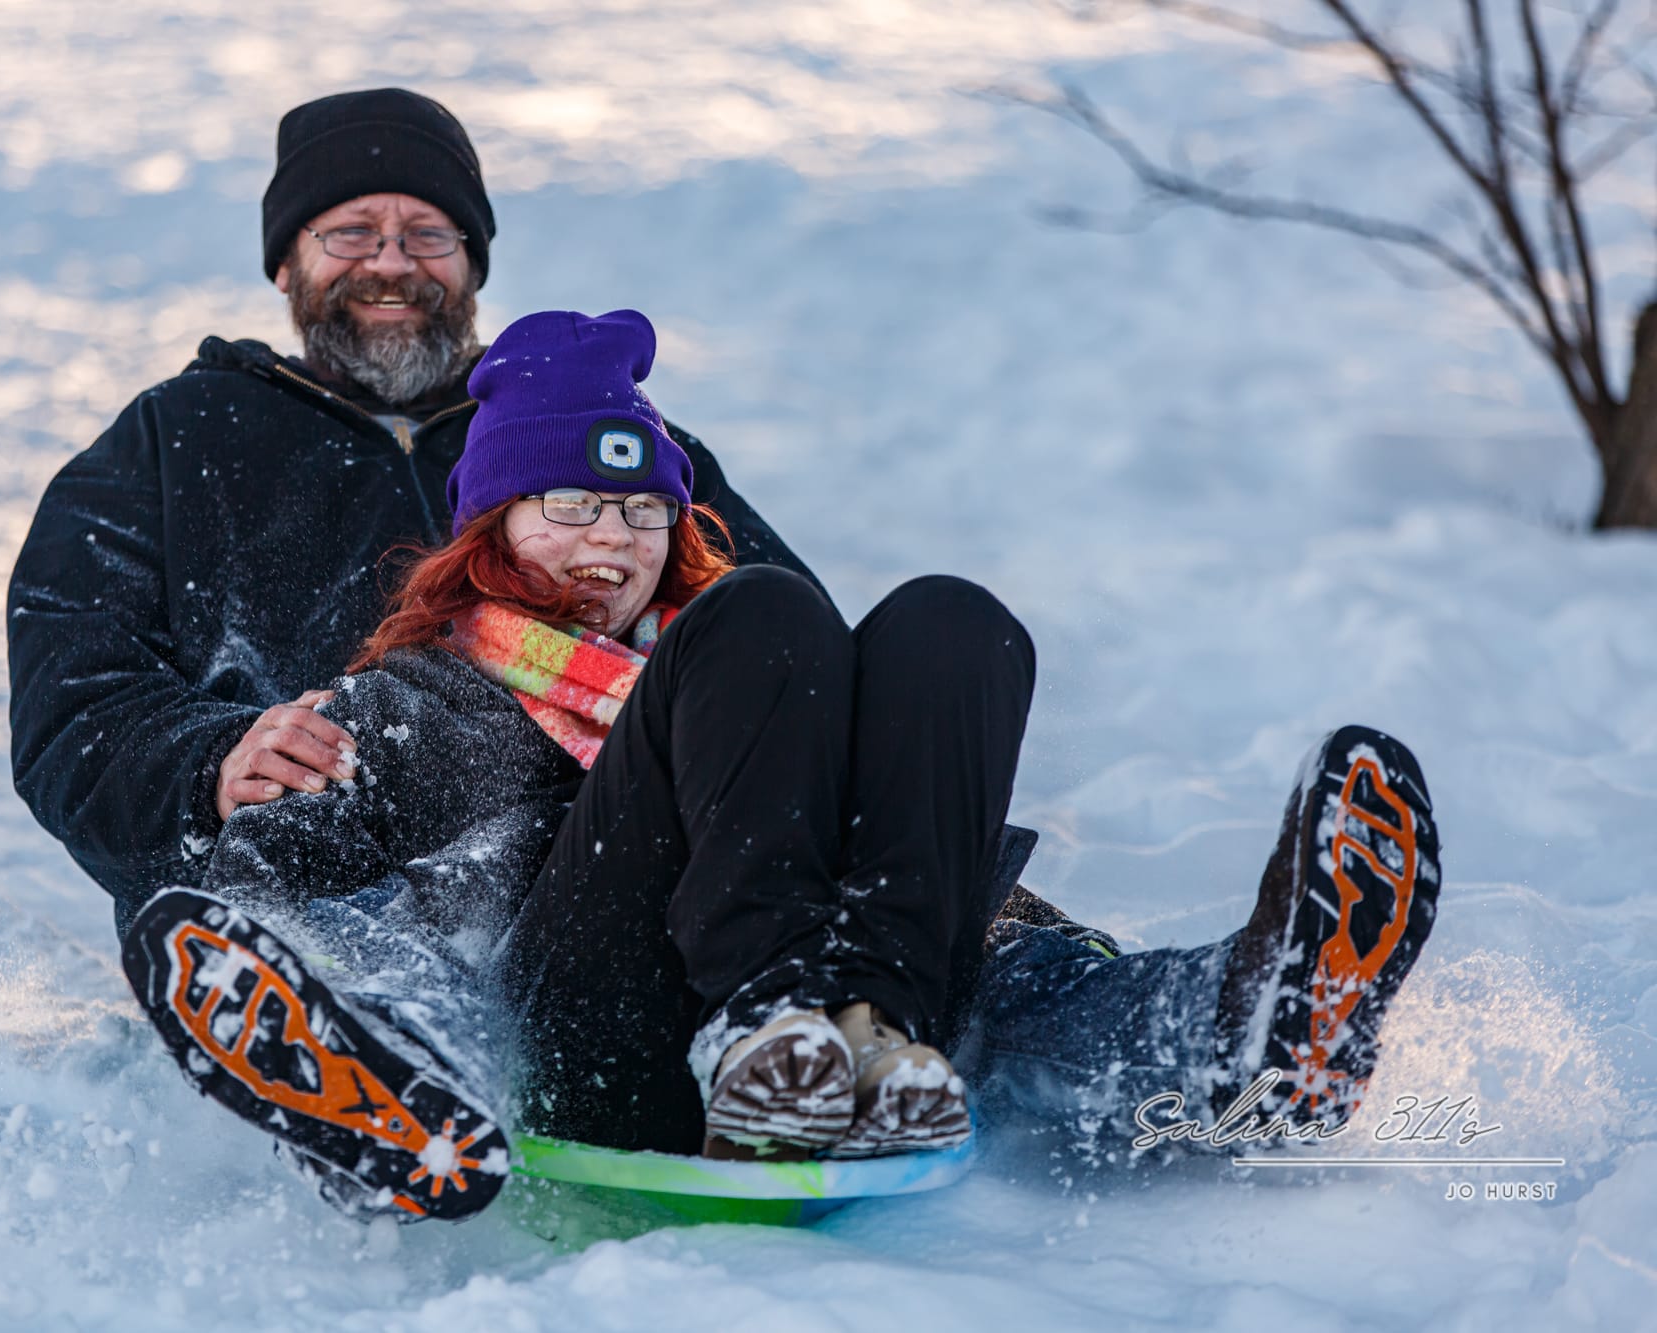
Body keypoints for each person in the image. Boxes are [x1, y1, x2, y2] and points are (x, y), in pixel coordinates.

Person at [119, 310, 1443, 1226]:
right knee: (763, 613)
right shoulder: (425, 695)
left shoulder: (744, 676)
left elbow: (900, 847)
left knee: (947, 625)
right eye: (570, 504)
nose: (612, 537)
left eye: (641, 508)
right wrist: (349, 1011)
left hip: (869, 1058)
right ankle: (448, 1084)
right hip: (602, 1054)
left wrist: (1010, 929)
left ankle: (1237, 1033)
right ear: (491, 528)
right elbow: (267, 890)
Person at [5, 89, 814, 938]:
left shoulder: (609, 441)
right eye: (351, 232)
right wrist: (211, 762)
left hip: (587, 905)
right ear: (285, 264)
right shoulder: (174, 438)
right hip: (275, 908)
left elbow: (776, 639)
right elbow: (72, 698)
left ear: (472, 264)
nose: (391, 263)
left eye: (428, 234)